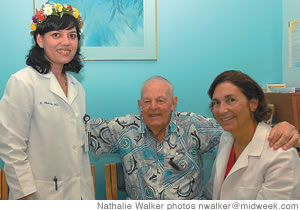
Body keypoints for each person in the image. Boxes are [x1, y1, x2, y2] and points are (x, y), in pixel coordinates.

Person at [88, 75, 300, 200]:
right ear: (139, 105)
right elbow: (78, 133)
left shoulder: (194, 126)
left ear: (174, 103)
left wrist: (283, 128)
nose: (154, 108)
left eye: (161, 100)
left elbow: (243, 129)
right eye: (147, 101)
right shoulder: (123, 128)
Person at [0, 2, 94, 199]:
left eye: (72, 35)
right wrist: (24, 195)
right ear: (40, 40)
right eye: (56, 35)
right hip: (39, 194)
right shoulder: (23, 82)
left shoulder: (77, 87)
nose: (66, 42)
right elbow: (11, 146)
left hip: (79, 192)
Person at [204, 70, 300, 199]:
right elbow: (212, 195)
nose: (222, 110)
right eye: (216, 103)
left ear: (253, 104)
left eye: (231, 100)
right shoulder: (226, 139)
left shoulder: (281, 156)